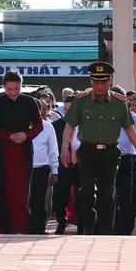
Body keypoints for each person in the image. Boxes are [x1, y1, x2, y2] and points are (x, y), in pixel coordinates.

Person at [61, 62, 136, 235]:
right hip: (87, 152)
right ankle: (89, 226)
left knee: (107, 193)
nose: (99, 86)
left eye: (103, 82)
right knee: (86, 191)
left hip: (109, 153)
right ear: (91, 82)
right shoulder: (81, 100)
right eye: (95, 82)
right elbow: (69, 125)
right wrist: (64, 149)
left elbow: (129, 128)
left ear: (110, 81)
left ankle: (106, 229)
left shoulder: (120, 102)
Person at [0, 72, 44, 234]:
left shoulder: (30, 102)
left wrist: (26, 135)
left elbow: (39, 126)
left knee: (21, 191)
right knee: (2, 190)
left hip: (23, 151)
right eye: (9, 89)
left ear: (21, 86)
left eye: (16, 89)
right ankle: (3, 228)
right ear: (4, 87)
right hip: (2, 151)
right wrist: (9, 136)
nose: (13, 92)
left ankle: (22, 227)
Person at [111, 85, 136, 235]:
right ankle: (110, 227)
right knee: (109, 196)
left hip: (127, 160)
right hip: (108, 160)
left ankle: (125, 229)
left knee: (126, 196)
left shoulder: (130, 116)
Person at [29, 97, 59, 234]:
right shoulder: (22, 125)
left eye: (45, 109)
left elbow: (53, 151)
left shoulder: (48, 127)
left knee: (41, 201)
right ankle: (25, 227)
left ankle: (40, 228)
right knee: (25, 201)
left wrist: (54, 171)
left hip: (41, 169)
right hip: (24, 169)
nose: (42, 112)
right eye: (39, 108)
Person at [53, 94, 80, 235]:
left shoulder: (84, 124)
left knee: (83, 196)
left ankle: (83, 225)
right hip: (63, 166)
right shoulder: (56, 126)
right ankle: (61, 221)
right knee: (60, 196)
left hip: (81, 166)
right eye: (66, 109)